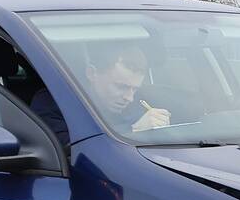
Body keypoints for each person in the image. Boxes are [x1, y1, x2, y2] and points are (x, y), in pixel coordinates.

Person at [30, 43, 170, 142]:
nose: (129, 98)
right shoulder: (54, 104)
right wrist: (133, 131)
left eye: (135, 89)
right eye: (120, 87)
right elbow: (71, 153)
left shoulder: (139, 102)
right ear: (92, 73)